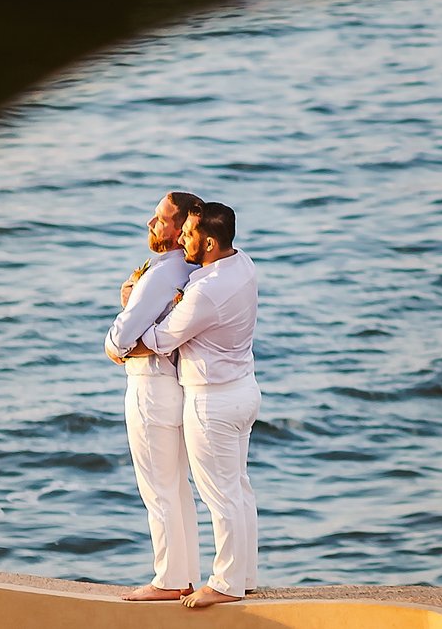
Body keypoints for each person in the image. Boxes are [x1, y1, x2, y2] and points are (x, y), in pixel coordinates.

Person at [139, 202, 260, 608]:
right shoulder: (242, 264)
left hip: (212, 403)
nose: (182, 241)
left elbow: (158, 339)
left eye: (189, 235)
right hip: (244, 391)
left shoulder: (206, 292)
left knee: (219, 495)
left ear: (209, 242)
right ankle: (244, 576)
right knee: (238, 488)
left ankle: (225, 584)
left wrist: (130, 312)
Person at [106, 191, 205, 602]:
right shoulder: (193, 271)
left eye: (161, 219)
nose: (150, 223)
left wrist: (114, 346)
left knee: (158, 490)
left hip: (149, 387)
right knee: (177, 489)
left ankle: (167, 580)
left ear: (180, 228)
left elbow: (120, 338)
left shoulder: (162, 274)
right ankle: (183, 577)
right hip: (177, 388)